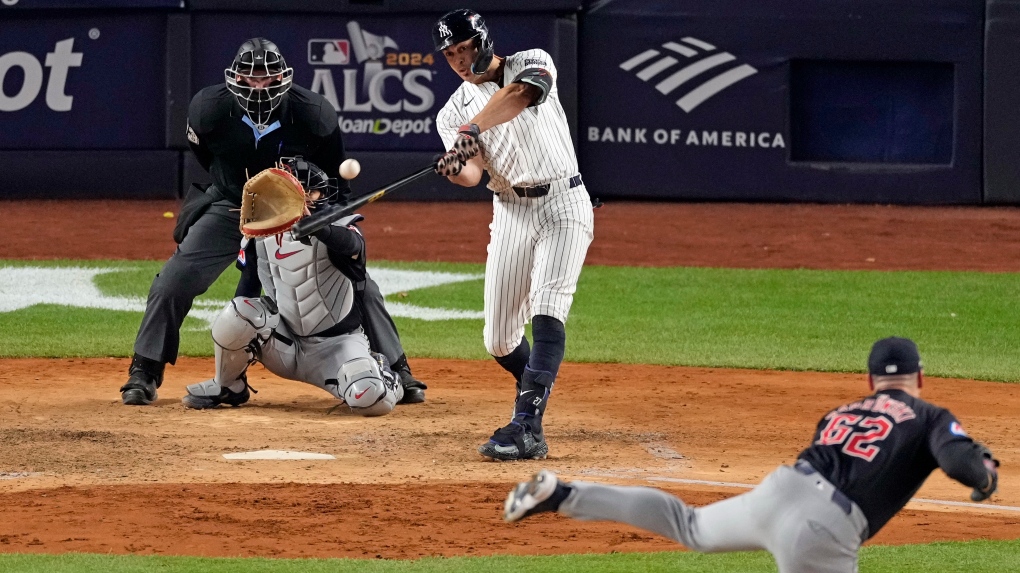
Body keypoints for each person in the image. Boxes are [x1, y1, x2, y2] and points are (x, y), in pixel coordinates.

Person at [504, 337, 1000, 573]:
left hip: (780, 487)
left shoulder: (842, 412)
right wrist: (985, 477)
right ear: (920, 377)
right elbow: (958, 462)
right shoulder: (929, 415)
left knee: (690, 527)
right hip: (824, 527)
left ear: (871, 382)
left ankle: (565, 494)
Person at [120, 37, 426, 406]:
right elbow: (208, 158)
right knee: (175, 280)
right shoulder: (207, 110)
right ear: (235, 79)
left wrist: (329, 227)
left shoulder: (314, 114)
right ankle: (145, 370)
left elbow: (336, 185)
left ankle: (398, 369)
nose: (258, 86)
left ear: (284, 78)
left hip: (297, 209)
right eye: (250, 79)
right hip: (233, 203)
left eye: (267, 79)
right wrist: (243, 193)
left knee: (361, 284)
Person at [431, 9, 596, 461]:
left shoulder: (530, 61)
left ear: (482, 40)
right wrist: (455, 167)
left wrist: (474, 129)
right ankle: (534, 398)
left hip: (564, 202)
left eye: (464, 48)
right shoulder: (452, 113)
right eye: (450, 54)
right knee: (499, 340)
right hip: (510, 211)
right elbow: (471, 174)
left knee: (547, 311)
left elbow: (520, 95)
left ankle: (527, 426)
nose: (460, 60)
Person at [181, 158, 404, 414]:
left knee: (371, 399)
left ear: (321, 196)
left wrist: (321, 229)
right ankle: (228, 385)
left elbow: (354, 247)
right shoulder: (260, 235)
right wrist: (240, 334)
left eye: (309, 191)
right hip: (285, 345)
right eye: (290, 191)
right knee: (239, 312)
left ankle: (386, 377)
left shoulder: (341, 227)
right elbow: (247, 289)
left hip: (338, 349)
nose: (299, 197)